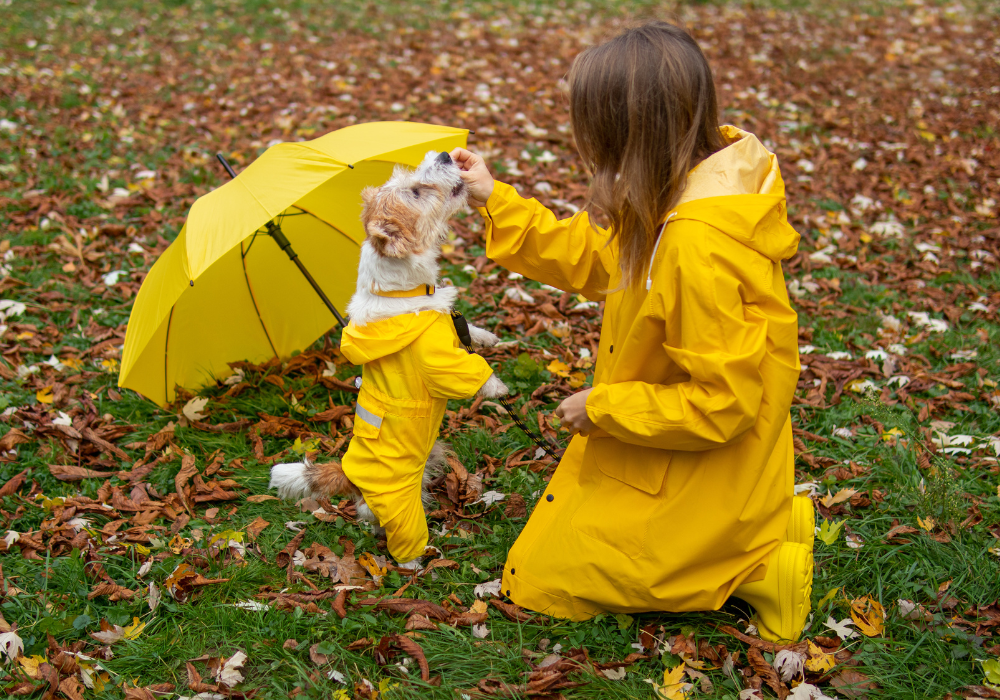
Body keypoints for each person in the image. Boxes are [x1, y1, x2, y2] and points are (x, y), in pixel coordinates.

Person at [450, 21, 814, 642]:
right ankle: (764, 520)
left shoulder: (696, 244)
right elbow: (596, 258)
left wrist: (605, 406)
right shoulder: (684, 188)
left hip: (705, 450)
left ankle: (756, 565)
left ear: (627, 132)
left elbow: (724, 404)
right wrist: (494, 199)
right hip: (708, 449)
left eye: (593, 132)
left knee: (546, 576)